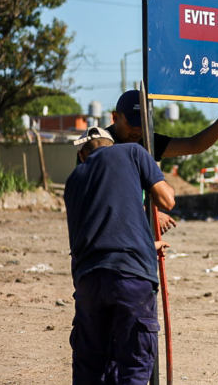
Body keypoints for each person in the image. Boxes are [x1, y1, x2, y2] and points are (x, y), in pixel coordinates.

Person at [64, 126, 176, 385]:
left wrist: (147, 244)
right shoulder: (133, 153)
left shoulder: (73, 180)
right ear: (111, 145)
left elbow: (93, 229)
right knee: (134, 366)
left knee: (90, 366)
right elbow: (167, 201)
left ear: (82, 155)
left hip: (88, 280)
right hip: (131, 278)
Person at [106, 89, 218, 233]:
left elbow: (194, 145)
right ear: (115, 117)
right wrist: (147, 212)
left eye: (142, 123)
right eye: (132, 124)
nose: (138, 130)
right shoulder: (100, 144)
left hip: (133, 229)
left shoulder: (146, 142)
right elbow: (103, 196)